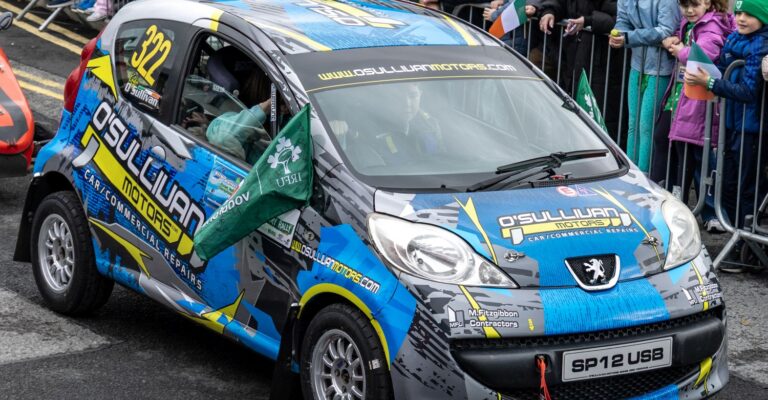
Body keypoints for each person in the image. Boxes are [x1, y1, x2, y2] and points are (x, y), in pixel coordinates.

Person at [685, 0, 768, 272]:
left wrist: (710, 82)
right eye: (739, 12)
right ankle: (738, 241)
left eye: (749, 14)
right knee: (729, 184)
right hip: (731, 125)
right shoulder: (733, 39)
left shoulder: (762, 45)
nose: (741, 18)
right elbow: (721, 69)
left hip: (753, 129)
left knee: (747, 188)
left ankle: (749, 248)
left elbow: (748, 91)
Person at [652, 0, 732, 232]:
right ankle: (672, 202)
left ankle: (710, 213)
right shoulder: (689, 23)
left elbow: (706, 52)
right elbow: (685, 37)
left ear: (707, 2)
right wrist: (672, 39)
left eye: (694, 4)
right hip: (680, 98)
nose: (688, 10)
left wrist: (681, 52)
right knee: (668, 143)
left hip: (699, 102)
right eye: (684, 5)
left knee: (699, 157)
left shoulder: (712, 25)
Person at [611, 0, 681, 173]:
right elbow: (622, 20)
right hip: (637, 64)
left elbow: (666, 30)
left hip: (660, 68)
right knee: (633, 123)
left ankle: (644, 176)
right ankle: (629, 173)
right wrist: (619, 34)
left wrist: (630, 38)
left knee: (646, 126)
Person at [537, 0, 623, 136]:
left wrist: (588, 21)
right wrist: (549, 12)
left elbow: (619, 19)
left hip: (603, 63)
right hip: (572, 56)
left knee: (598, 121)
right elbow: (560, 3)